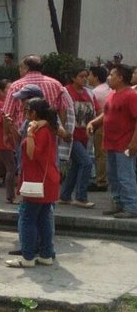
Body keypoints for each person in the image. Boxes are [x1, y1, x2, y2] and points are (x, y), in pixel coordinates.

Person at [7, 98, 61, 268]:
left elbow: (32, 154)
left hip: (36, 181)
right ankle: (45, 253)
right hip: (48, 181)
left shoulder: (40, 130)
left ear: (34, 113)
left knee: (27, 218)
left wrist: (30, 134)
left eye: (27, 110)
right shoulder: (49, 127)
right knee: (44, 218)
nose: (24, 113)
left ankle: (28, 256)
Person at [87, 65, 137, 218]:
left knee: (125, 176)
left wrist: (134, 142)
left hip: (124, 144)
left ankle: (131, 206)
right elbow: (106, 114)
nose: (108, 77)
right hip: (111, 143)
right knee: (113, 176)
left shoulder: (131, 95)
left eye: (112, 75)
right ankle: (118, 203)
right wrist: (94, 123)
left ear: (120, 78)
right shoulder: (113, 94)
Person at [60, 68, 98, 208]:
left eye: (85, 76)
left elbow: (97, 110)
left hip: (85, 136)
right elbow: (61, 110)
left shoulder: (89, 92)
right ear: (73, 78)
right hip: (72, 135)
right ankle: (81, 197)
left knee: (76, 165)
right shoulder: (66, 91)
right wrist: (63, 130)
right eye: (81, 76)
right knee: (86, 163)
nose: (84, 79)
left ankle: (65, 195)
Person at [0, 80, 18, 204]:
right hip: (1, 141)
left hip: (2, 140)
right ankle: (10, 196)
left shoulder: (3, 103)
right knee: (11, 167)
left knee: (1, 168)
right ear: (1, 91)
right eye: (8, 89)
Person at [88, 66, 112, 191]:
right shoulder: (108, 89)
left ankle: (101, 181)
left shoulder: (95, 92)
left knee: (100, 154)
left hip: (101, 125)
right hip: (109, 125)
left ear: (96, 77)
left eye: (89, 75)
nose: (88, 78)